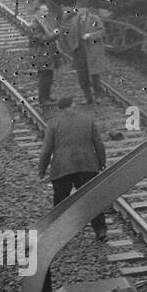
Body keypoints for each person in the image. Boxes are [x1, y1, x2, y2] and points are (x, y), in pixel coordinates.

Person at [38, 95, 107, 242]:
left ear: (59, 108)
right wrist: (101, 162)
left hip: (62, 168)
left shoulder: (53, 123)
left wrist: (42, 168)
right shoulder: (87, 119)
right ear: (73, 104)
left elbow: (46, 150)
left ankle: (58, 234)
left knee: (61, 202)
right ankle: (100, 230)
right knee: (91, 199)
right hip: (87, 165)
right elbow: (98, 143)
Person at [20, 0, 63, 104]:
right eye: (44, 11)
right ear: (38, 12)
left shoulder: (42, 21)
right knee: (44, 78)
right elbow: (40, 39)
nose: (47, 13)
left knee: (49, 76)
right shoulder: (34, 24)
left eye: (47, 11)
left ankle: (47, 96)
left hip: (47, 54)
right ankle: (43, 99)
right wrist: (54, 34)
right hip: (41, 54)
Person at [63, 0, 106, 103]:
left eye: (81, 9)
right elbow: (69, 32)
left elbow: (102, 32)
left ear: (86, 9)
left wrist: (90, 36)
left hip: (92, 50)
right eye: (77, 9)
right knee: (82, 76)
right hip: (79, 52)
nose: (79, 11)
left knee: (95, 75)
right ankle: (88, 97)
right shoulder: (74, 19)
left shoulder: (94, 19)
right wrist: (72, 47)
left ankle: (98, 96)